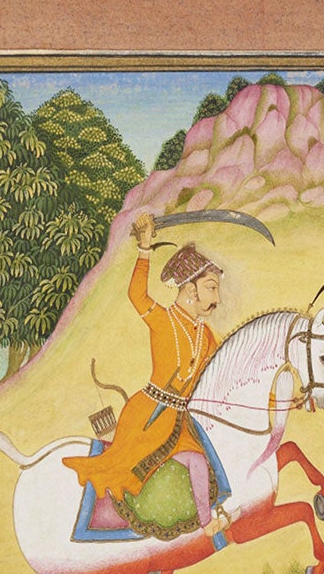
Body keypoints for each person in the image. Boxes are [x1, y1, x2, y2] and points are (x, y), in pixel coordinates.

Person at [62, 210, 229, 539]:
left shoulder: (206, 336)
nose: (217, 299)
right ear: (190, 289)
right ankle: (207, 524)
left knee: (205, 457)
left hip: (180, 421)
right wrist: (144, 248)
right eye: (211, 288)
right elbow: (137, 295)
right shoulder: (163, 320)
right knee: (184, 464)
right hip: (147, 417)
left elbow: (226, 370)